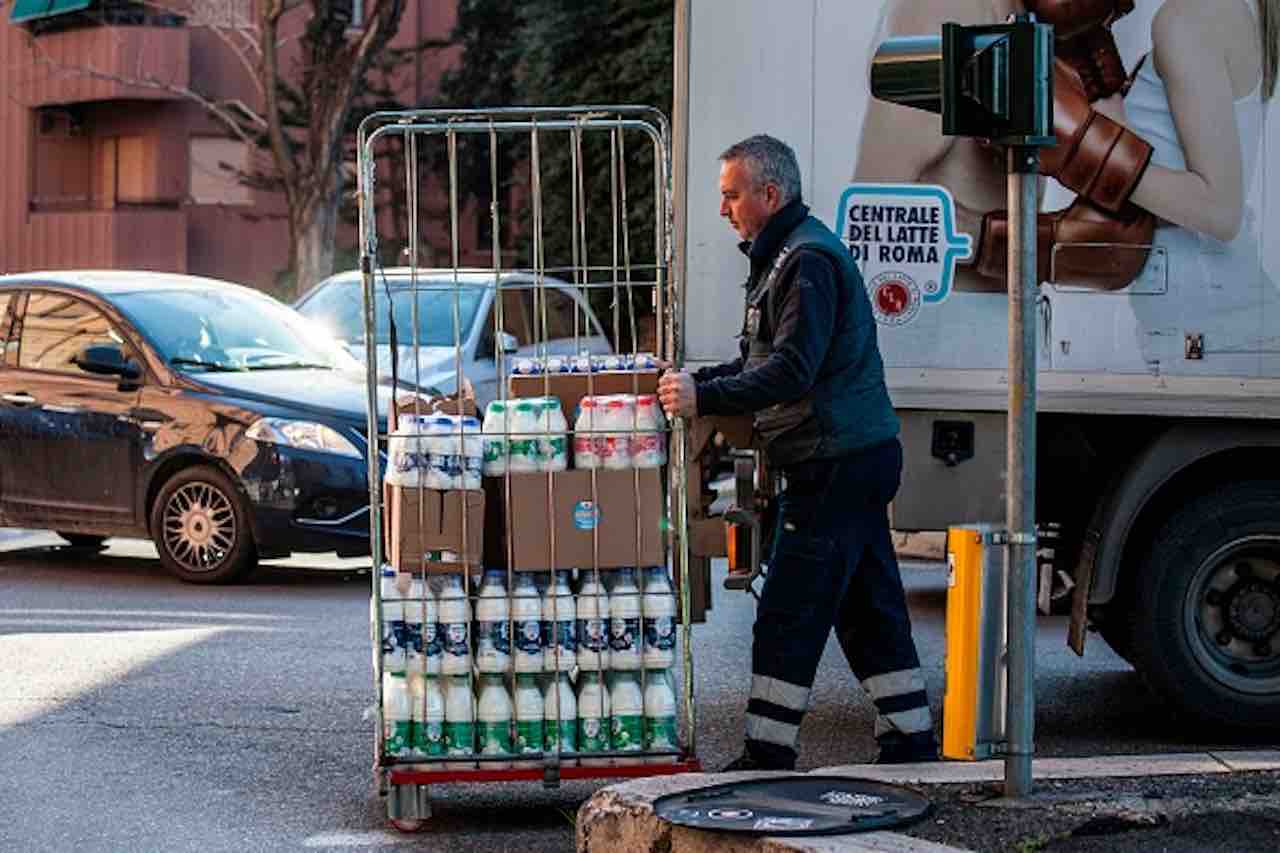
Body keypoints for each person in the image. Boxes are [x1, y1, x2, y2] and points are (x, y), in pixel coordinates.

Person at [657, 135, 937, 769]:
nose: (724, 209)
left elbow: (791, 370)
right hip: (851, 456)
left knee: (788, 610)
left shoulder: (806, 262)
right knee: (869, 608)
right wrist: (697, 380)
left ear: (769, 194)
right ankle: (911, 740)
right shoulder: (789, 255)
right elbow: (762, 359)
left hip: (832, 461)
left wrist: (706, 395)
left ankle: (767, 752)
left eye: (731, 196)